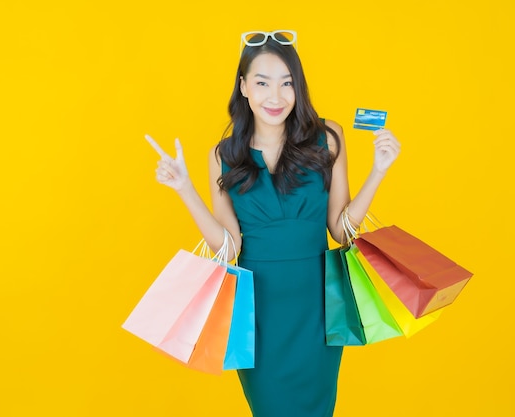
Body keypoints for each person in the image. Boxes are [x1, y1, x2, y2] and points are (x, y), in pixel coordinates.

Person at [148, 30, 400, 417]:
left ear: (298, 88)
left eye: (287, 83)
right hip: (258, 313)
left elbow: (339, 228)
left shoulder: (328, 137)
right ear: (244, 87)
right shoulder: (223, 154)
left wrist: (378, 172)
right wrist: (185, 188)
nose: (276, 96)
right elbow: (229, 247)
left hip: (317, 307)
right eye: (263, 83)